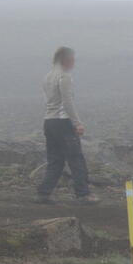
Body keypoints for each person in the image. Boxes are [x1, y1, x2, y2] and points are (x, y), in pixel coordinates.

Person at [35, 47, 99, 204]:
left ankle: (44, 193)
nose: (74, 62)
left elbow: (48, 101)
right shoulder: (64, 76)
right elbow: (67, 101)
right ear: (66, 60)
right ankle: (83, 194)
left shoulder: (47, 77)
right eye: (73, 59)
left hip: (49, 122)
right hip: (63, 122)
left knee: (55, 159)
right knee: (76, 158)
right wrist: (77, 123)